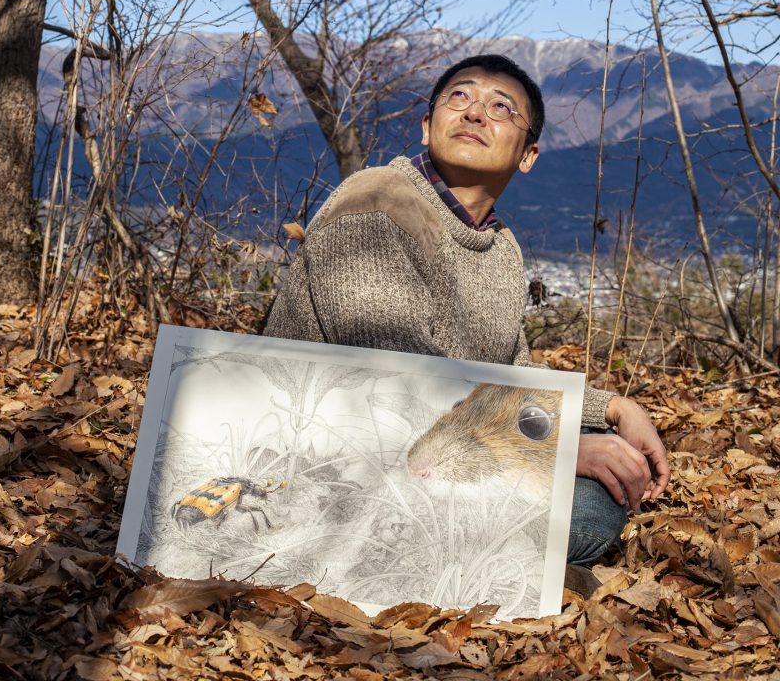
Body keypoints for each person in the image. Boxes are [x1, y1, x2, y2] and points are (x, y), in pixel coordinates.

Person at [263, 53, 669, 582]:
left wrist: (611, 409)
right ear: (428, 126)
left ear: (528, 155)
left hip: (424, 454)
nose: (475, 112)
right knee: (590, 510)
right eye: (459, 97)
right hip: (329, 463)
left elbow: (513, 381)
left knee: (602, 489)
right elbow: (391, 374)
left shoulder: (500, 250)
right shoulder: (376, 201)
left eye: (500, 107)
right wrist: (558, 448)